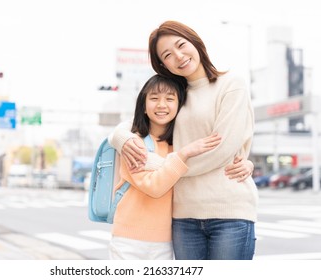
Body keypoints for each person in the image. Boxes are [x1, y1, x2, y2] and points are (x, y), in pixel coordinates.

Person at [109, 20, 257, 260]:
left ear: (195, 42)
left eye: (181, 45)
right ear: (162, 64)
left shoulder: (231, 84)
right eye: (167, 55)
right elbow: (139, 123)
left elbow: (222, 150)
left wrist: (162, 165)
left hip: (229, 211)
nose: (178, 56)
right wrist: (120, 137)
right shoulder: (176, 94)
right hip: (183, 216)